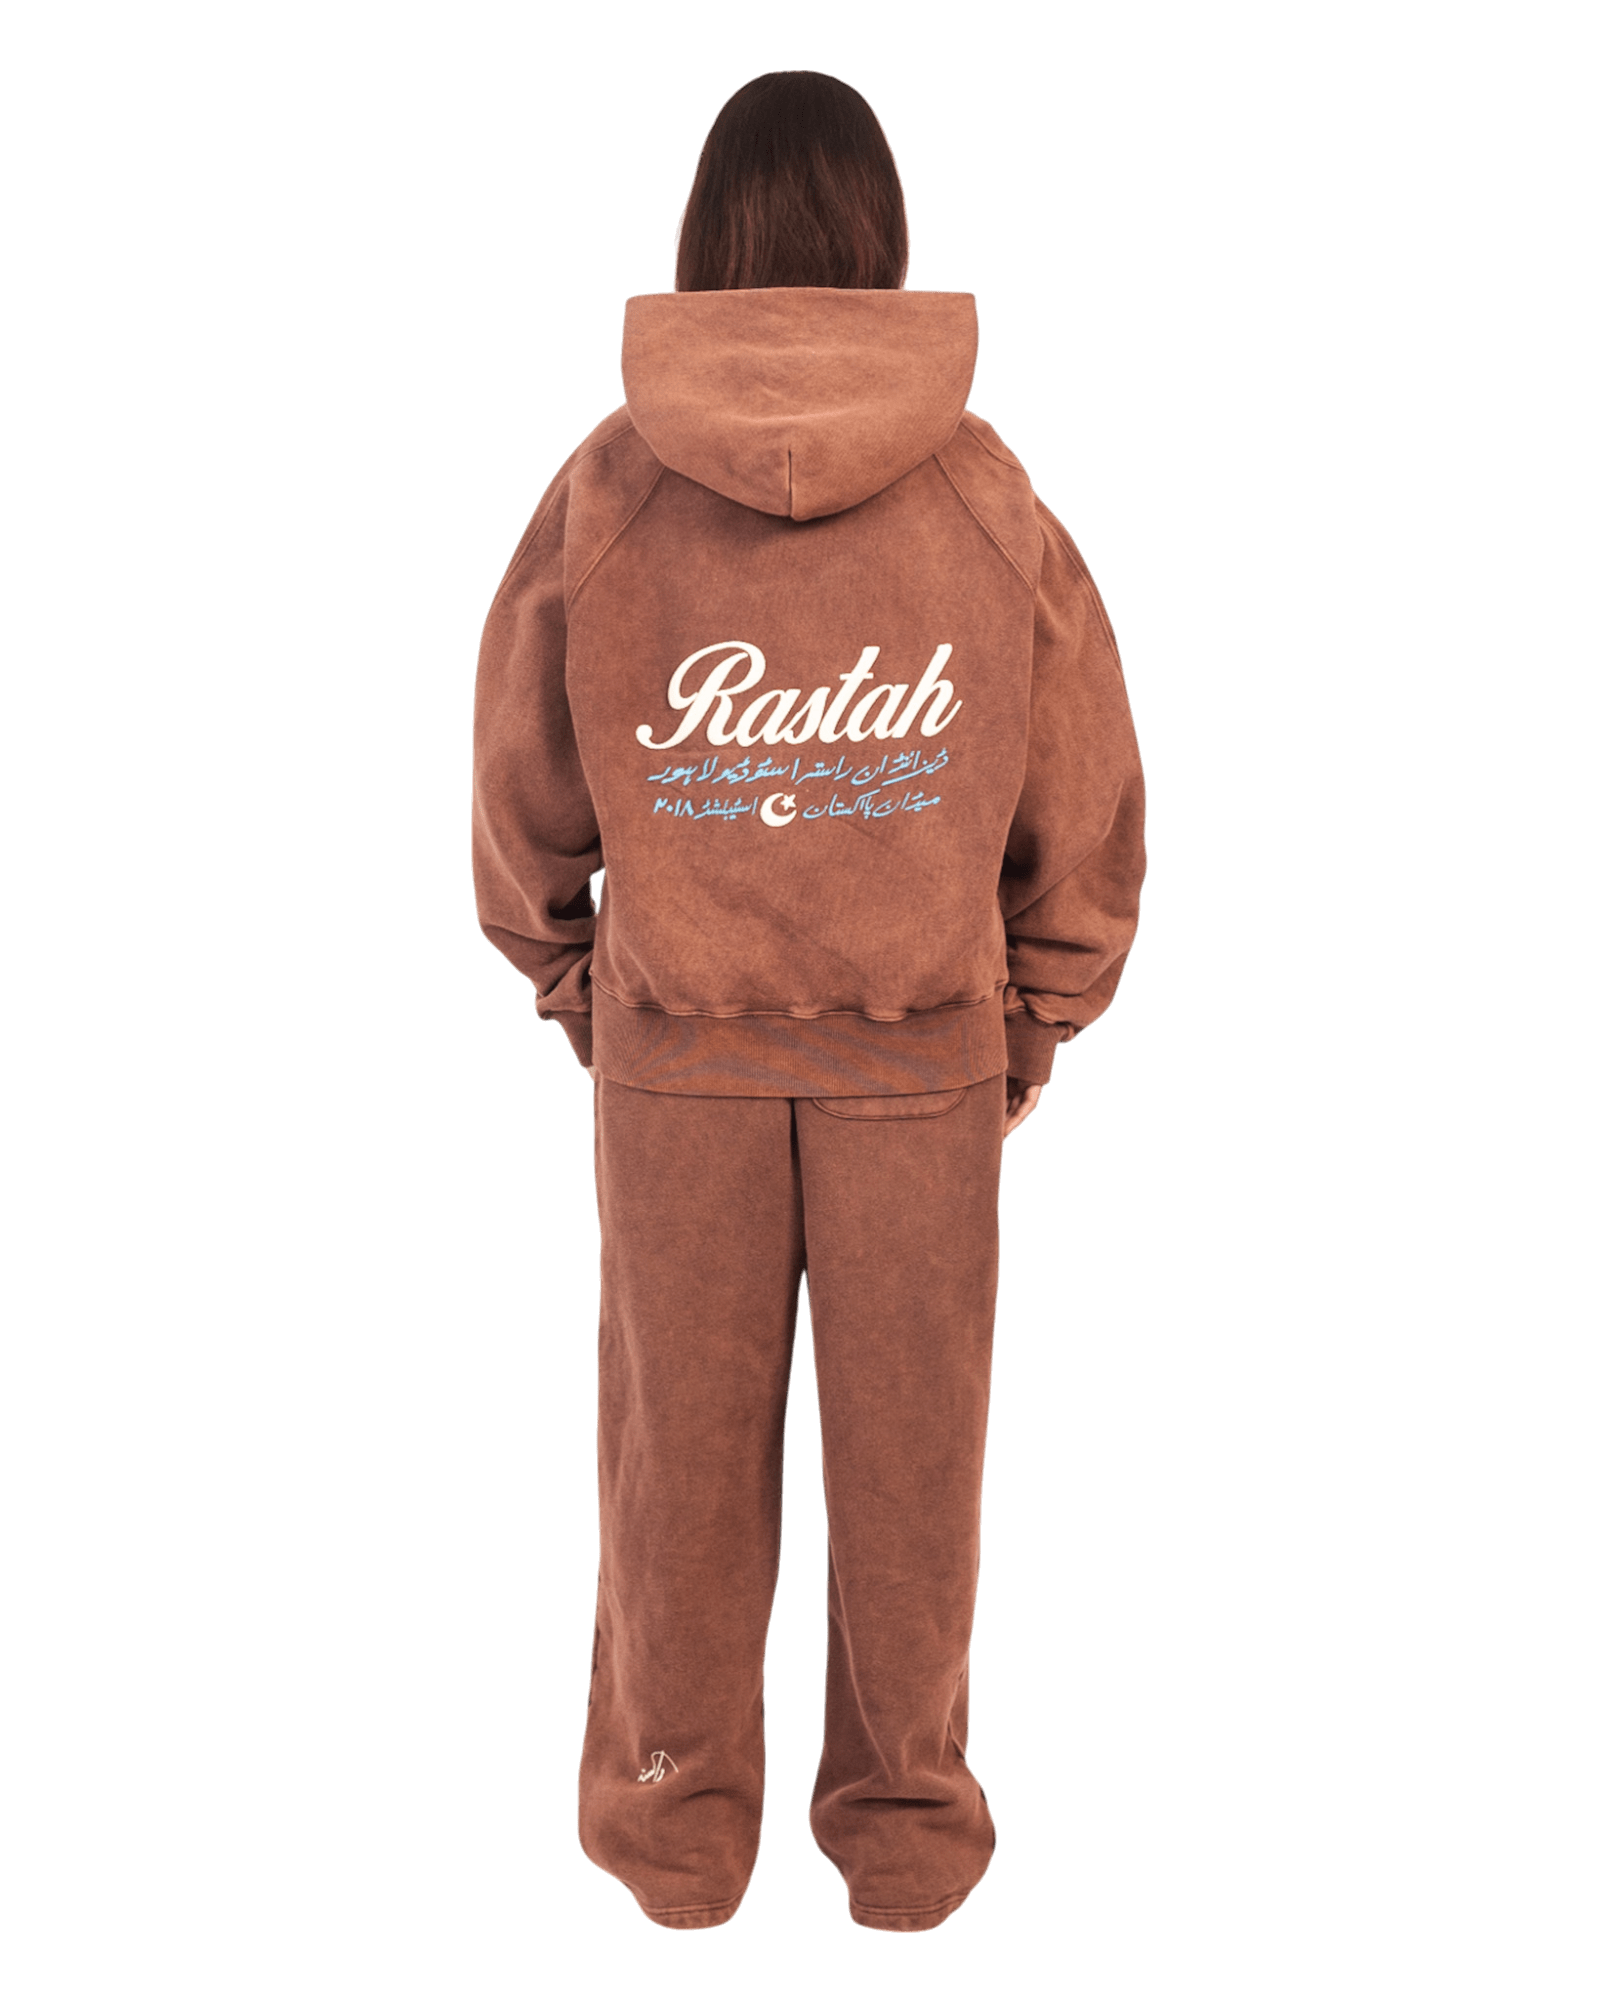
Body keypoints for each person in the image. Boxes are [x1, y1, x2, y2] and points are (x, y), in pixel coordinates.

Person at [470, 69, 1147, 1935]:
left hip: (674, 1057)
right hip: (920, 1063)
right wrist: (1035, 1014)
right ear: (884, 235)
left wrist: (578, 982)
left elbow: (518, 777)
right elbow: (1083, 784)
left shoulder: (611, 485)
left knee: (672, 1472)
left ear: (700, 235)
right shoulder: (981, 487)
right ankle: (907, 1831)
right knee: (915, 1465)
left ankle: (674, 1832)